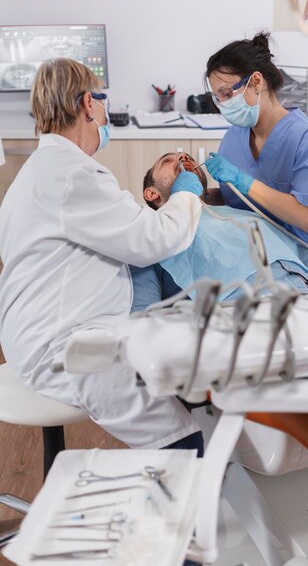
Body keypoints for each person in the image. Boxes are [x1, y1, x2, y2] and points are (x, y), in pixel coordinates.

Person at [130, 151, 308, 522]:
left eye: (186, 157)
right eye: (169, 162)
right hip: (269, 313)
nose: (183, 160)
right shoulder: (151, 237)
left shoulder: (243, 214)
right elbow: (144, 320)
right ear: (152, 194)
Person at [0, 58, 205, 453]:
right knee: (182, 441)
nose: (105, 111)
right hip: (61, 346)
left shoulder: (44, 170)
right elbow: (154, 238)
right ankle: (175, 506)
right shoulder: (72, 175)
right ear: (87, 105)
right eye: (103, 100)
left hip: (35, 330)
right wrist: (187, 190)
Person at [203, 31, 308, 279]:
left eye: (227, 93)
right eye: (216, 96)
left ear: (256, 82)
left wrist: (243, 180)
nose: (222, 103)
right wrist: (198, 194)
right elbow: (241, 197)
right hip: (273, 264)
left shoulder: (303, 136)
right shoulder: (234, 136)